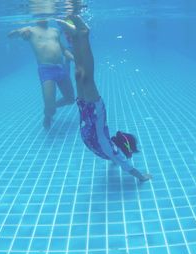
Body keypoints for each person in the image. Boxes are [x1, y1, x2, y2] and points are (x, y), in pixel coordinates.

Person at [56, 16, 152, 182]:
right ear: (124, 150)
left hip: (84, 111)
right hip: (94, 112)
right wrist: (142, 177)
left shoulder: (111, 153)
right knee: (87, 77)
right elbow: (128, 167)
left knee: (79, 73)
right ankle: (84, 34)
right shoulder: (113, 152)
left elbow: (118, 162)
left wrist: (116, 162)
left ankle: (74, 37)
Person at [8, 19, 75, 129]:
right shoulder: (30, 30)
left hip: (61, 67)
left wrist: (75, 60)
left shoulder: (55, 31)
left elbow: (63, 50)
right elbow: (10, 36)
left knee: (70, 99)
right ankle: (48, 115)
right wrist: (19, 31)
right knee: (50, 110)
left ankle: (51, 107)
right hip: (46, 70)